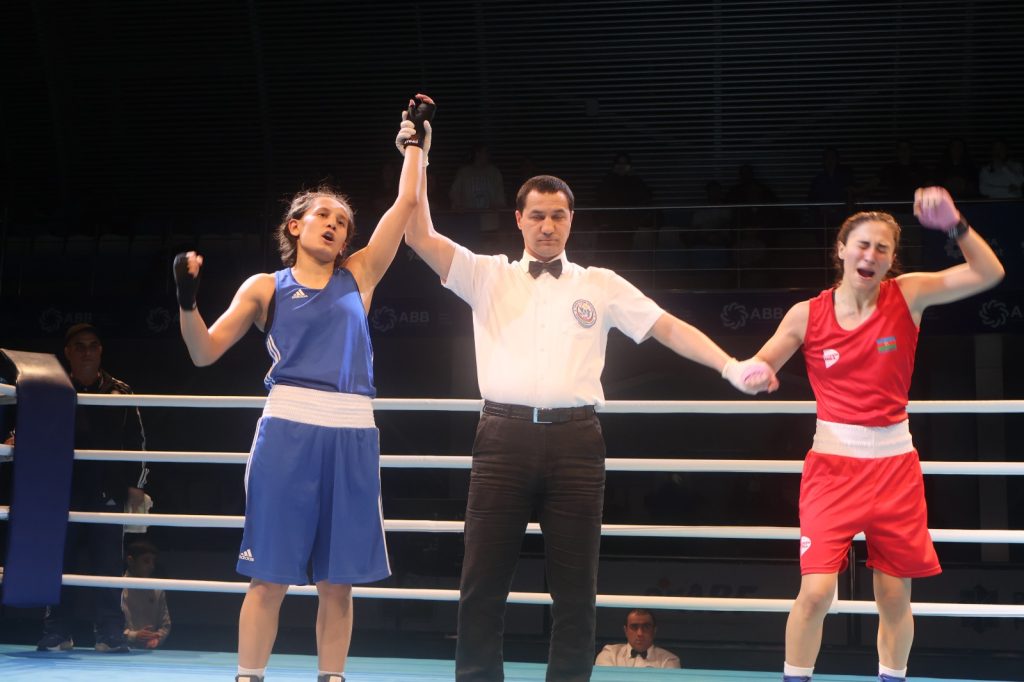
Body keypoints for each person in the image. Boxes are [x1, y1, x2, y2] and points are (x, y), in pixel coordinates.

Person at [404, 120, 777, 682]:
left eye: (558, 215)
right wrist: (417, 154)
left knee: (577, 591)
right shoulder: (486, 275)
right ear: (518, 219)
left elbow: (666, 326)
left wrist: (729, 365)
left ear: (571, 220)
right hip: (502, 439)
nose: (548, 225)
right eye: (537, 215)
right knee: (482, 583)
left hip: (577, 443)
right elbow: (417, 233)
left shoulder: (600, 283)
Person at [173, 95, 431, 682]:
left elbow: (406, 204)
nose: (335, 226)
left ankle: (331, 678)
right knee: (269, 576)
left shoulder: (359, 276)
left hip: (352, 431)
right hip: (288, 430)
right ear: (295, 226)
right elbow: (203, 351)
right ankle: (249, 676)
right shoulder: (265, 286)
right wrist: (187, 303)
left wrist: (415, 145)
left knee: (338, 582)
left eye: (343, 223)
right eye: (324, 217)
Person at [750, 187, 1004, 682]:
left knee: (893, 596)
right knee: (816, 594)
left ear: (891, 259)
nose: (870, 255)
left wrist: (955, 224)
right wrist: (755, 373)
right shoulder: (807, 313)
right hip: (832, 469)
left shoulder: (908, 294)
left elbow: (989, 273)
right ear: (841, 250)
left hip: (895, 468)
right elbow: (764, 360)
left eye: (882, 248)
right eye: (862, 244)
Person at [34, 322, 149, 653]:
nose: (87, 352)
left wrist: (136, 484)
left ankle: (110, 632)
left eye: (93, 345)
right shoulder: (52, 388)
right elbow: (34, 428)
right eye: (80, 346)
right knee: (59, 562)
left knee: (108, 565)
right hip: (63, 490)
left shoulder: (121, 391)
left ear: (101, 351)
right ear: (68, 352)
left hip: (107, 489)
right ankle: (57, 630)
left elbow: (137, 440)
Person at [121, 540, 171, 649]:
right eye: (146, 561)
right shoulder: (117, 588)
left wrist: (157, 638)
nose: (151, 566)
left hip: (150, 652)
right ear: (130, 561)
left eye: (153, 561)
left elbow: (165, 625)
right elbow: (109, 626)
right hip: (121, 649)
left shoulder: (158, 589)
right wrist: (133, 636)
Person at [595, 609, 681, 669]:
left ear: (654, 630)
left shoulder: (669, 660)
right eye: (634, 627)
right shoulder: (609, 654)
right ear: (625, 630)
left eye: (646, 627)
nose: (640, 633)